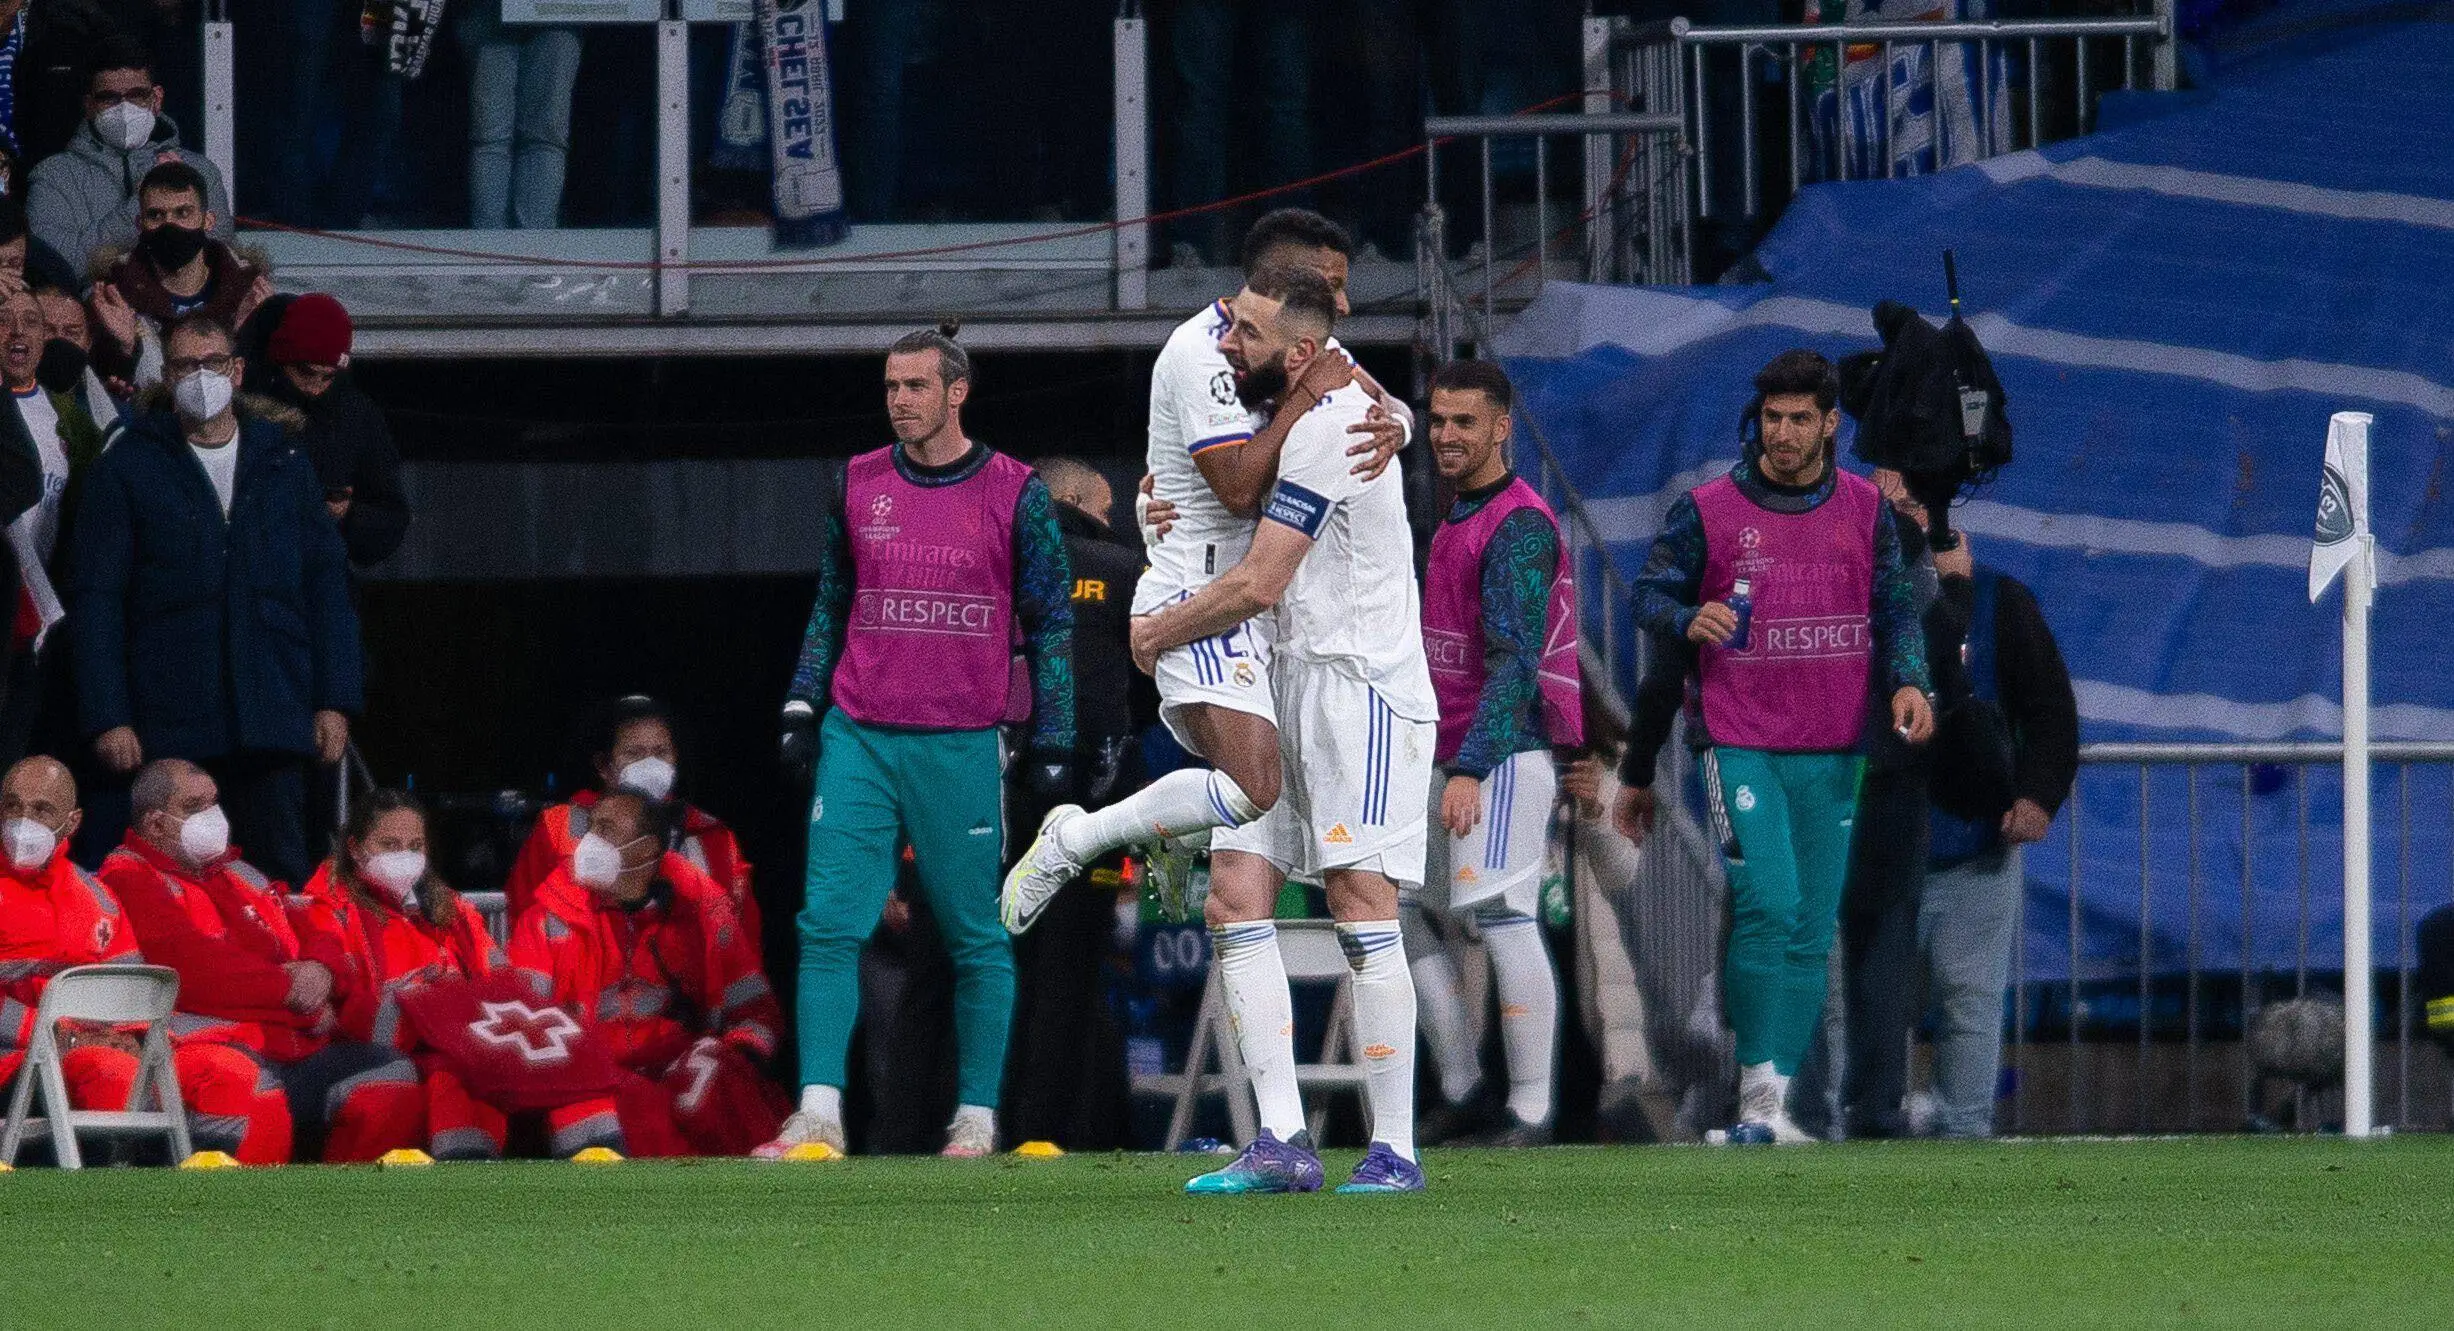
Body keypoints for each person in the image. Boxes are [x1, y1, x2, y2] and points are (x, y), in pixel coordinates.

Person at [1001, 209, 1407, 937]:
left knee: (1242, 886)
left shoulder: (1305, 341)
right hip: (1200, 594)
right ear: (1279, 279)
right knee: (1255, 785)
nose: (1345, 304)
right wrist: (1304, 403)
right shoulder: (1200, 353)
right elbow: (1240, 489)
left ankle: (1174, 826)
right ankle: (1078, 836)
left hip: (1254, 610)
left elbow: (1382, 402)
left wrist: (1399, 425)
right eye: (1331, 285)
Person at [1128, 265, 1436, 1194]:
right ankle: (1281, 1142)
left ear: (1300, 352)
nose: (1228, 345)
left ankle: (1395, 1149)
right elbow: (1228, 498)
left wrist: (1156, 633)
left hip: (1359, 685)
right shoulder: (1296, 412)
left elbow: (1261, 579)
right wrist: (1156, 504)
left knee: (1358, 897)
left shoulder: (1336, 428)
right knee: (1232, 895)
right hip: (1285, 676)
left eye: (1248, 336)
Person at [763, 328, 1075, 1161]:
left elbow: (1051, 621)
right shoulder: (857, 480)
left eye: (915, 386)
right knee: (828, 921)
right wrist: (801, 701)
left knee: (977, 931)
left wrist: (1055, 734)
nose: (899, 400)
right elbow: (832, 601)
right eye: (891, 386)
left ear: (956, 391)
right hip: (860, 732)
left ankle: (976, 1118)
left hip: (961, 739)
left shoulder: (1016, 490)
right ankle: (818, 1112)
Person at [1626, 348, 1933, 1144]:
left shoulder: (1866, 510)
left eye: (1800, 418)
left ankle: (1775, 1103)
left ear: (1831, 424)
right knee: (1768, 902)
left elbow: (1896, 609)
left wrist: (1910, 682)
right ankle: (1755, 1099)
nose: (1784, 432)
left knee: (1811, 925)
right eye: (1773, 417)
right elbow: (1648, 592)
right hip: (1739, 740)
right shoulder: (1708, 510)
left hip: (1835, 746)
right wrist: (1685, 617)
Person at [69, 314, 362, 888]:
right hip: (169, 720)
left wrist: (335, 699)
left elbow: (327, 587)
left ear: (238, 370)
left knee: (279, 880)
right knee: (172, 882)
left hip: (274, 714)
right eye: (185, 365)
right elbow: (98, 601)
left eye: (213, 363)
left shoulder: (284, 462)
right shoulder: (127, 466)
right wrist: (108, 715)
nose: (201, 377)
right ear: (166, 375)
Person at [1410, 358, 1585, 1147]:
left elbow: (1515, 662)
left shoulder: (1517, 523)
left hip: (1502, 753)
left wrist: (1471, 767)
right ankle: (1466, 1085)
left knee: (1507, 919)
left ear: (1503, 427)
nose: (1447, 434)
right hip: (1446, 749)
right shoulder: (1459, 513)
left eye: (1465, 421)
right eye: (1439, 420)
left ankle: (1532, 1109)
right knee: (1396, 909)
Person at [101, 758, 423, 1161]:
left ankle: (345, 1198)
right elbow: (197, 973)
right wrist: (295, 995)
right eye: (194, 806)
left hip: (294, 1045)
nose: (211, 816)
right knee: (255, 1091)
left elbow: (314, 930)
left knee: (391, 1076)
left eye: (213, 803)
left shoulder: (240, 873)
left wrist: (321, 971)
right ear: (155, 824)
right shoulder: (129, 875)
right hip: (215, 1049)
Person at [0, 754, 292, 1164]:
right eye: (12, 806)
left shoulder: (96, 897)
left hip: (102, 1044)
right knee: (113, 1074)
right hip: (17, 1055)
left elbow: (131, 988)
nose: (22, 820)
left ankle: (230, 1200)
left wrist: (131, 1033)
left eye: (42, 809)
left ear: (72, 822)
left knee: (234, 1074)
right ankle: (119, 1200)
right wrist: (56, 1034)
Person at [508, 789, 787, 1157]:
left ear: (647, 850)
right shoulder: (548, 917)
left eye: (606, 830)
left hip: (681, 1072)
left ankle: (766, 1182)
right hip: (590, 1078)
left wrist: (737, 1055)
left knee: (715, 1072)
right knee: (609, 1100)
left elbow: (755, 1011)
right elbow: (522, 1025)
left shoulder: (702, 910)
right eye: (591, 827)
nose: (588, 841)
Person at [1000, 456, 1144, 1149]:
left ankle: (975, 1124)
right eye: (1106, 507)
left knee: (998, 962)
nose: (1111, 520)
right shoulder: (1121, 568)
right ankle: (1055, 1132)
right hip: (1095, 800)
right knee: (1073, 967)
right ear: (1078, 499)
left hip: (1003, 793)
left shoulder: (997, 565)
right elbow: (1153, 674)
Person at [1917, 534, 2076, 1138]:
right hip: (1865, 851)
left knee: (1970, 1003)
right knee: (1846, 1007)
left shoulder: (2001, 600)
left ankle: (1964, 1144)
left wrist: (2038, 795)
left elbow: (2051, 709)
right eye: (1890, 496)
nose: (1903, 507)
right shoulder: (1843, 592)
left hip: (1974, 848)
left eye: (1917, 499)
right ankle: (1842, 1139)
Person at [502, 694, 757, 943]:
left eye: (661, 752)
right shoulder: (559, 827)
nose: (651, 766)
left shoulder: (712, 836)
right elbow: (522, 918)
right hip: (580, 970)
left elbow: (741, 937)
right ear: (604, 766)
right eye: (634, 753)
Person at [0, 285, 105, 767]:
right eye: (4, 320)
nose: (17, 332)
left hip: (39, 616)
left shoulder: (71, 421)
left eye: (31, 321)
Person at [25, 37, 232, 276]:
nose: (124, 108)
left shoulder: (200, 170)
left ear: (156, 98)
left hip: (183, 300)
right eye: (109, 98)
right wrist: (140, 203)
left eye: (137, 95)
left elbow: (221, 262)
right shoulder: (54, 176)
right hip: (94, 299)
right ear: (89, 105)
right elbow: (55, 269)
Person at [244, 293, 409, 570]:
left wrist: (347, 513)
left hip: (321, 574)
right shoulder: (245, 407)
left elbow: (391, 516)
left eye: (328, 376)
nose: (316, 388)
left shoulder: (356, 415)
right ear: (282, 361)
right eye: (306, 372)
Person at [87, 161, 271, 393]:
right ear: (139, 224)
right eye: (156, 215)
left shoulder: (247, 289)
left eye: (183, 213)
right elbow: (101, 385)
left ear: (208, 220)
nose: (169, 225)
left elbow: (263, 386)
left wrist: (243, 334)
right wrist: (125, 349)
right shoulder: (114, 294)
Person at [456, 6, 582, 229]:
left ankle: (532, 242)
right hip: (487, 12)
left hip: (560, 13)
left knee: (541, 137)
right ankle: (490, 242)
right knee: (494, 137)